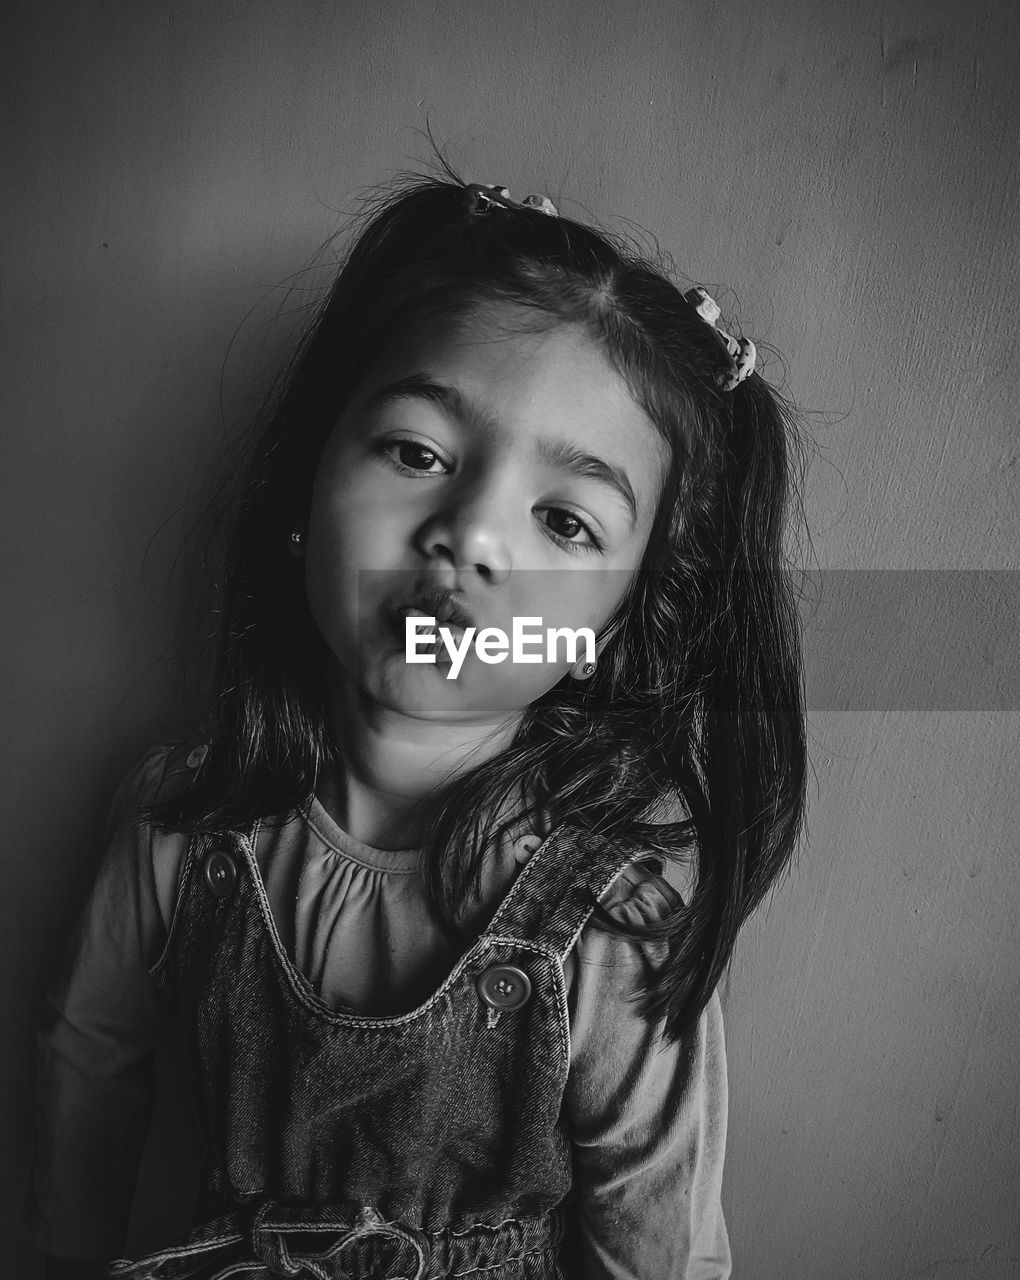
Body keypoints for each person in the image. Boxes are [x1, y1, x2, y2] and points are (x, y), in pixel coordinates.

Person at [29, 174, 807, 1279]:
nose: (471, 535)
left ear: (621, 626)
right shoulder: (177, 822)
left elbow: (660, 1250)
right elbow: (85, 1076)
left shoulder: (615, 922)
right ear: (302, 486)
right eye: (418, 452)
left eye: (564, 520)